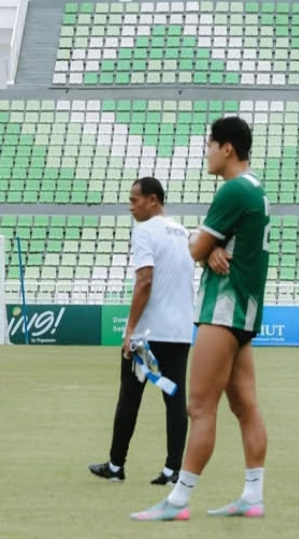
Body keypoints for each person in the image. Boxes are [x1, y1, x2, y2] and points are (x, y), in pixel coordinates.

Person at [131, 117, 270, 521]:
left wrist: (204, 246)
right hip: (245, 312)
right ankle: (253, 495)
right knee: (246, 406)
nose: (207, 152)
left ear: (227, 148)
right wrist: (208, 246)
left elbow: (194, 247)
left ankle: (178, 501)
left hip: (221, 310)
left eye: (210, 145)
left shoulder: (232, 190)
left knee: (199, 406)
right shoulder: (257, 191)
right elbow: (207, 245)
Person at [89, 177, 195, 485]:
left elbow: (145, 280)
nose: (130, 205)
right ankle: (173, 469)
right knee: (174, 398)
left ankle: (116, 465)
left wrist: (130, 329)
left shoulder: (145, 231)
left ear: (153, 200)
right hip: (178, 331)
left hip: (147, 335)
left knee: (129, 397)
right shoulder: (183, 232)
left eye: (134, 199)